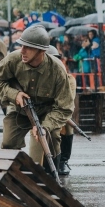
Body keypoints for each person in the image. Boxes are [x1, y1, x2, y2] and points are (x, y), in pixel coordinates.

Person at [0, 27, 74, 171]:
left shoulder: (57, 70)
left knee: (50, 141)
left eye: (28, 48)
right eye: (22, 45)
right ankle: (14, 177)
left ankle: (52, 173)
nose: (22, 50)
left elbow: (64, 107)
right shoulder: (13, 59)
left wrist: (45, 126)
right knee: (8, 142)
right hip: (19, 110)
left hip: (46, 113)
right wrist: (14, 95)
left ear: (41, 51)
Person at [42, 45, 77, 176]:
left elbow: (67, 100)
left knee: (67, 126)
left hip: (60, 111)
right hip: (43, 111)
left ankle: (63, 160)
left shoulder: (69, 79)